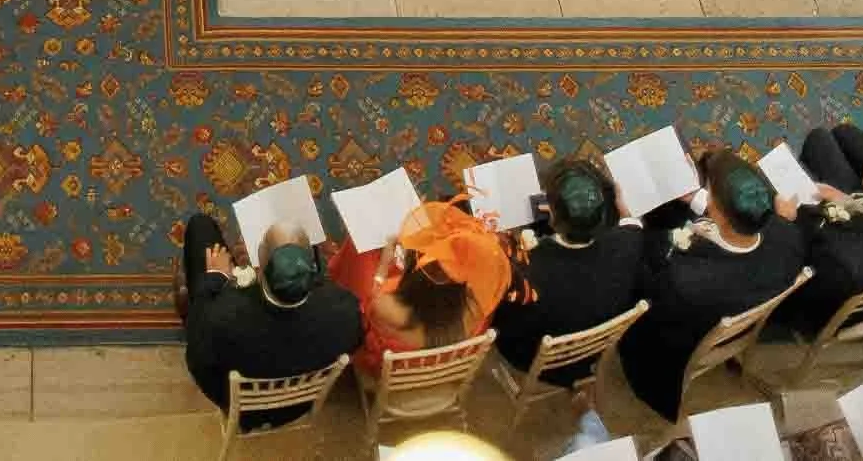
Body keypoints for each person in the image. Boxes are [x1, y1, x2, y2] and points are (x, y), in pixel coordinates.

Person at [617, 149, 805, 421]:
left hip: (667, 339)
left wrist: (629, 224)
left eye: (710, 195)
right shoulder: (788, 237)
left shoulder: (682, 278)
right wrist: (696, 198)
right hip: (740, 294)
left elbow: (644, 289)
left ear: (718, 213)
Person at [179, 214, 364, 424]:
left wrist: (216, 276)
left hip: (243, 412)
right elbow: (353, 341)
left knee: (200, 225)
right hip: (299, 406)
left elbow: (197, 362)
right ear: (312, 270)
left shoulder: (221, 315)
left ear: (259, 270)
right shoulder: (345, 311)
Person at [493, 158, 646, 381]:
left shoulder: (526, 270)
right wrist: (623, 207)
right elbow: (632, 224)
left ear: (553, 216)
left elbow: (503, 314)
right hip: (591, 355)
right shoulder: (630, 244)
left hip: (532, 359)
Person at [328, 198, 510, 379]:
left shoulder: (388, 308)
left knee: (359, 252)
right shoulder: (475, 308)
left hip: (392, 375)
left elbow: (370, 300)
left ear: (414, 277)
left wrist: (384, 265)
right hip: (443, 373)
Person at [779, 133, 863, 332]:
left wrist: (785, 222)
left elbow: (796, 291)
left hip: (811, 303)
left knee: (769, 190)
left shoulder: (842, 262)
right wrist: (845, 201)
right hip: (859, 223)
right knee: (819, 139)